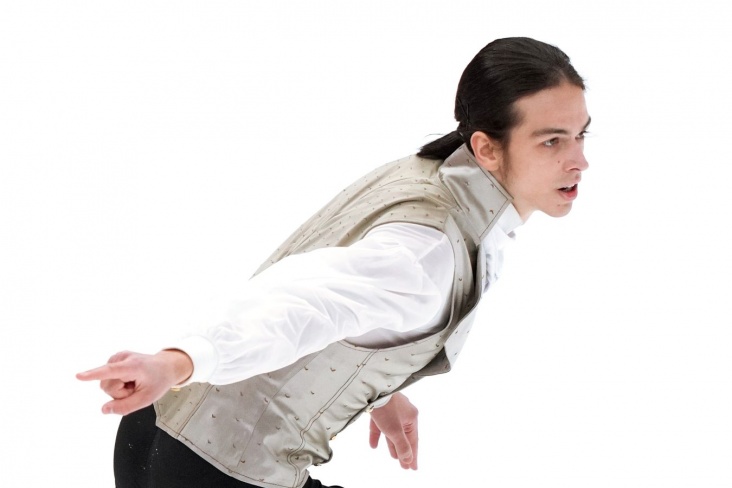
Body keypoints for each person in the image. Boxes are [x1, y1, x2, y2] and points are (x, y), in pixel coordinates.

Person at [77, 36, 591, 488]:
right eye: (552, 141)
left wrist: (380, 393)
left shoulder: (429, 176)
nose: (579, 161)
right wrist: (177, 361)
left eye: (581, 135)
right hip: (221, 468)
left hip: (157, 428)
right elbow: (300, 306)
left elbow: (353, 296)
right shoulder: (431, 249)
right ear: (487, 148)